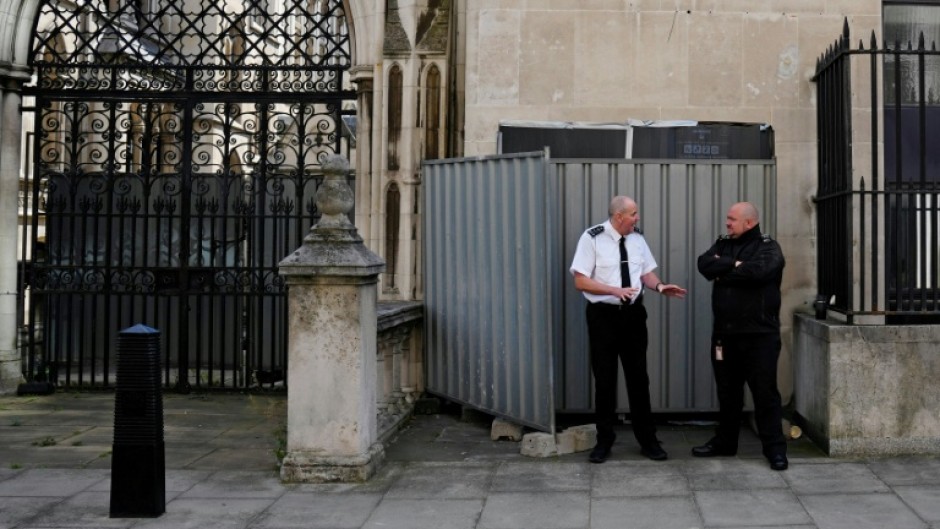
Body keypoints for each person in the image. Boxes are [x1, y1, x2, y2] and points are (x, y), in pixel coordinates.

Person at [570, 195, 687, 463]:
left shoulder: (637, 239)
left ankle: (648, 440)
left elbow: (645, 272)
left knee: (638, 378)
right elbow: (580, 281)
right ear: (618, 216)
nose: (637, 218)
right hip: (603, 316)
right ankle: (604, 441)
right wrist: (613, 290)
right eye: (633, 214)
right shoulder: (592, 238)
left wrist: (659, 286)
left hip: (633, 316)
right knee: (605, 379)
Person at [694, 202, 788, 471]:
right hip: (725, 336)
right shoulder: (723, 244)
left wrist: (724, 272)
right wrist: (733, 264)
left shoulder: (769, 247)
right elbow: (704, 264)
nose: (727, 223)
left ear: (749, 223)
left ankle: (775, 450)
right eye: (728, 218)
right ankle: (726, 443)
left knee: (765, 393)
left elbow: (758, 272)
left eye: (732, 219)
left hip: (760, 337)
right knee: (728, 393)